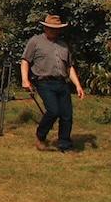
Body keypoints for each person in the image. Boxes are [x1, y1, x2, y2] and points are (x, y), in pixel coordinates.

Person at [20, 13, 86, 152]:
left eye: (56, 28)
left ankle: (65, 144)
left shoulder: (63, 46)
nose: (54, 31)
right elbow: (25, 61)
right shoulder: (35, 41)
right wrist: (25, 80)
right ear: (45, 28)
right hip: (44, 82)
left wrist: (78, 85)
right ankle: (40, 135)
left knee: (67, 115)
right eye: (51, 28)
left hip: (62, 82)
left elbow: (69, 67)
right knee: (53, 111)